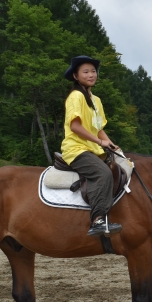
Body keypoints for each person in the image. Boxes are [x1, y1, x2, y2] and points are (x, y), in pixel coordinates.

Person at [61, 55, 123, 237]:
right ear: (75, 76)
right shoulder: (76, 96)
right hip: (76, 149)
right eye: (85, 71)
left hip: (94, 149)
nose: (91, 75)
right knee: (102, 174)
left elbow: (99, 129)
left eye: (93, 71)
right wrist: (99, 142)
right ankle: (97, 221)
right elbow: (75, 126)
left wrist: (112, 145)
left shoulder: (96, 100)